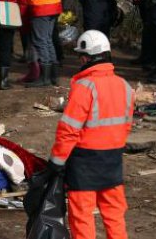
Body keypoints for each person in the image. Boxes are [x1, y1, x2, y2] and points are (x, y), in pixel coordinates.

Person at [49, 30, 133, 239]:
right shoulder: (125, 86)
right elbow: (125, 126)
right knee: (114, 216)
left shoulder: (84, 87)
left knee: (82, 217)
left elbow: (69, 130)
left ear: (86, 57)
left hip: (84, 163)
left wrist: (56, 162)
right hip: (112, 161)